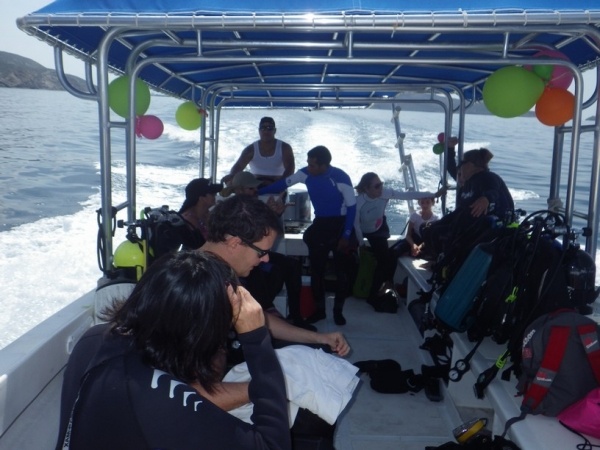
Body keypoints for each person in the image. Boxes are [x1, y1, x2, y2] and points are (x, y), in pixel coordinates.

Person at [56, 251, 291, 450]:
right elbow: (273, 444)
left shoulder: (95, 339)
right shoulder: (160, 401)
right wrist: (255, 338)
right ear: (201, 330)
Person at [201, 195, 352, 448]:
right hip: (201, 407)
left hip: (219, 381)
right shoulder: (197, 293)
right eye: (262, 252)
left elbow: (257, 319)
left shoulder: (218, 273)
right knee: (316, 416)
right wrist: (266, 388)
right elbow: (182, 393)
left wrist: (320, 338)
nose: (266, 260)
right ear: (235, 243)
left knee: (318, 365)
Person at [259, 146, 357, 326]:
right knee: (316, 271)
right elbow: (283, 184)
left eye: (312, 165)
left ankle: (338, 312)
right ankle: (320, 311)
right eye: (308, 163)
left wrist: (346, 235)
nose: (308, 167)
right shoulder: (305, 174)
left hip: (341, 225)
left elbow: (352, 208)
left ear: (324, 166)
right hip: (321, 224)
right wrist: (256, 192)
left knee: (341, 273)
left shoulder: (341, 178)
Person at [221, 171, 315, 331]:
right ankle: (266, 309)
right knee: (266, 272)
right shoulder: (234, 209)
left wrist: (274, 215)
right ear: (240, 189)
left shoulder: (253, 206)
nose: (255, 191)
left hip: (256, 250)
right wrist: (271, 214)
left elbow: (265, 235)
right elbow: (251, 234)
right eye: (251, 189)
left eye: (255, 188)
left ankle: (295, 316)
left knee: (291, 265)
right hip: (242, 254)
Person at [354, 172, 443, 302]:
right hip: (361, 229)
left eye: (381, 184)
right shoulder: (358, 202)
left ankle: (375, 292)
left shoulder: (385, 193)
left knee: (384, 260)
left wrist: (433, 195)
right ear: (366, 188)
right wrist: (361, 244)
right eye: (377, 186)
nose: (381, 188)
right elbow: (356, 225)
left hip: (378, 229)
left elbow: (407, 195)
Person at [421, 147, 515, 258]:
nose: (460, 167)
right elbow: (452, 168)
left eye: (462, 163)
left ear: (470, 165)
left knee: (438, 233)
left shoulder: (488, 177)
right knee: (426, 228)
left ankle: (442, 260)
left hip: (486, 228)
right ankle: (436, 257)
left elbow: (493, 189)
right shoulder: (467, 183)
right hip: (467, 224)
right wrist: (450, 148)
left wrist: (486, 199)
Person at [222, 117, 295, 188]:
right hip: (254, 189)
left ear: (275, 130)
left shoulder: (285, 148)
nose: (266, 131)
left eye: (269, 128)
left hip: (278, 187)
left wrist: (279, 184)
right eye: (263, 128)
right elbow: (238, 166)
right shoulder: (250, 150)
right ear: (259, 130)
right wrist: (231, 177)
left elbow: (290, 169)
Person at [178, 177, 223, 248]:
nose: (215, 196)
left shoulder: (204, 214)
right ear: (202, 198)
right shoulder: (190, 221)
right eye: (212, 194)